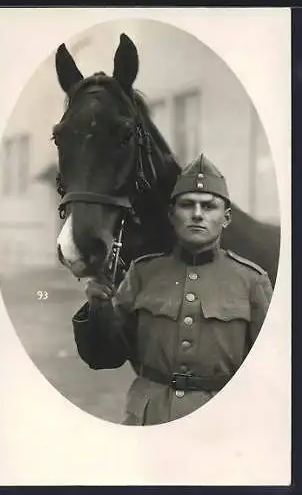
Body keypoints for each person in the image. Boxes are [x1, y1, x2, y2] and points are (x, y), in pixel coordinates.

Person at [72, 154, 273, 426]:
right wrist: (99, 307)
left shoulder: (252, 281)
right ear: (171, 215)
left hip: (220, 423)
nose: (198, 214)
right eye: (187, 205)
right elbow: (105, 356)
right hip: (149, 419)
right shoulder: (142, 274)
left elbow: (269, 371)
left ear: (226, 218)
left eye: (208, 206)